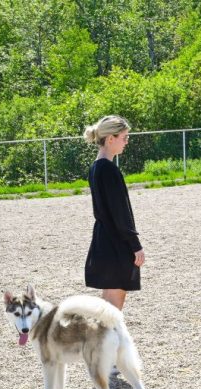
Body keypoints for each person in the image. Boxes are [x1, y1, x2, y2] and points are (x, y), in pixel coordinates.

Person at [83, 115, 144, 311]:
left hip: (105, 239)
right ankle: (104, 341)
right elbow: (120, 212)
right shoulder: (108, 169)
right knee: (113, 307)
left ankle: (104, 341)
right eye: (124, 137)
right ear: (111, 139)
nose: (127, 142)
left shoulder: (96, 166)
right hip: (115, 242)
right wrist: (135, 245)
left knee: (109, 301)